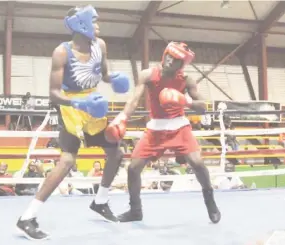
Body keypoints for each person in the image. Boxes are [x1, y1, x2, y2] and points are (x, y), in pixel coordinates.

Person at [17, 5, 130, 240]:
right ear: (81, 24)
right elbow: (53, 93)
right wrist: (79, 104)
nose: (98, 26)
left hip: (94, 104)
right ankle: (27, 217)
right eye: (95, 21)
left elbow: (103, 73)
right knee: (67, 161)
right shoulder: (61, 52)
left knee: (116, 153)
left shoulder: (100, 45)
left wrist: (115, 79)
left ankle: (100, 201)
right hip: (72, 108)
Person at [105, 42, 221, 224]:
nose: (169, 60)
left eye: (174, 59)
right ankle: (135, 210)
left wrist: (185, 101)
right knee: (133, 168)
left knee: (197, 163)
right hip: (155, 128)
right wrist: (122, 117)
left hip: (179, 126)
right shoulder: (148, 75)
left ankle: (210, 201)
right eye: (168, 55)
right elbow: (134, 100)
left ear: (181, 64)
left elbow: (204, 107)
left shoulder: (187, 80)